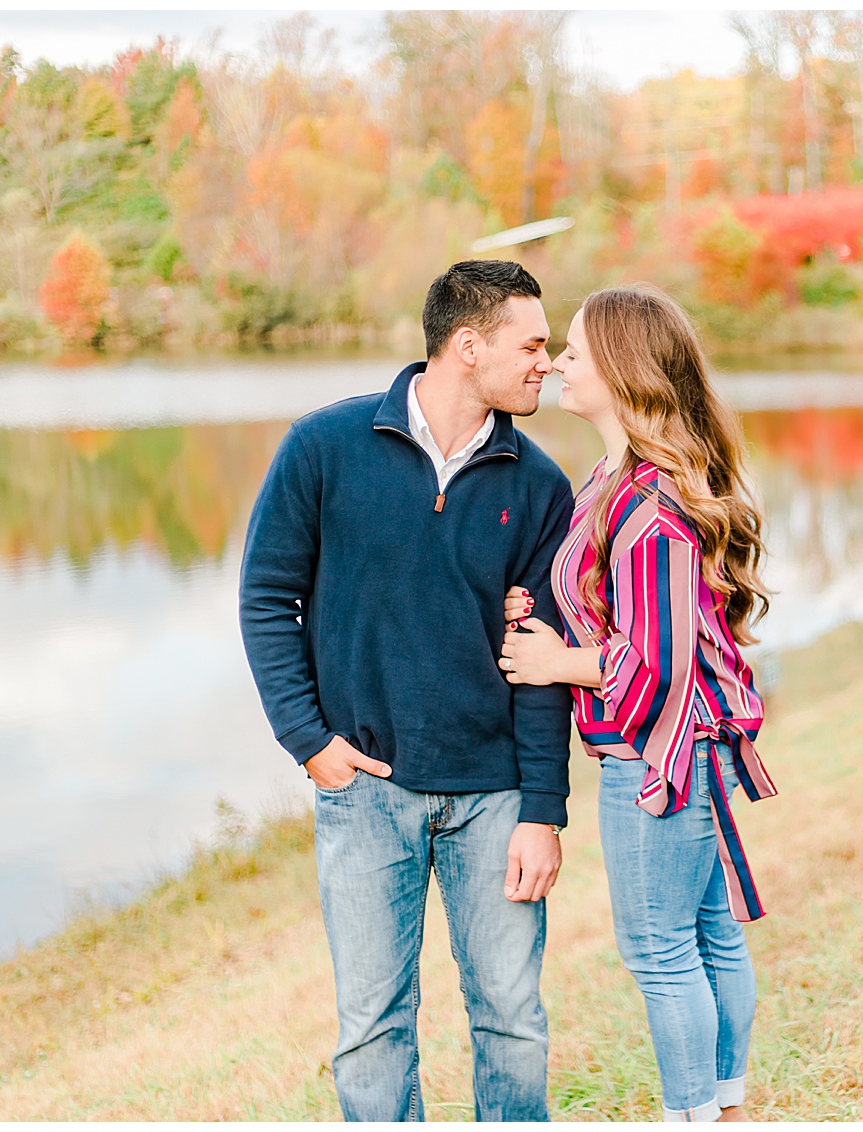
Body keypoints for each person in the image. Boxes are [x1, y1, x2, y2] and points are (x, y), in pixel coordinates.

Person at [238, 260, 575, 1122]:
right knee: (372, 1029)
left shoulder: (538, 484)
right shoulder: (324, 447)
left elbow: (541, 658)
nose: (549, 360)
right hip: (366, 793)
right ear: (470, 346)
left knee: (512, 1021)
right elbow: (268, 597)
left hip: (495, 796)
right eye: (533, 344)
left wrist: (542, 806)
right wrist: (309, 743)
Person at [497, 284, 776, 1123]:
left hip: (660, 755)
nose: (555, 365)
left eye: (573, 353)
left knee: (662, 951)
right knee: (707, 936)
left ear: (620, 373)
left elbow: (655, 667)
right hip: (684, 748)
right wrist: (543, 607)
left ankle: (692, 1112)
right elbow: (625, 608)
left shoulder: (651, 506)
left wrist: (555, 661)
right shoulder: (614, 476)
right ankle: (723, 1106)